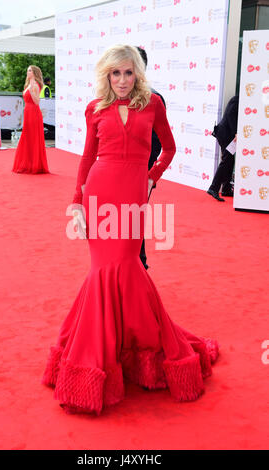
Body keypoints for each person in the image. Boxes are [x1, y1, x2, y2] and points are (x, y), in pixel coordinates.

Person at [42, 45, 219, 415]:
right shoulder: (95, 109)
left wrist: (151, 178)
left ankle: (137, 345)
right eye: (115, 73)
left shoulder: (152, 104)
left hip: (133, 193)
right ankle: (108, 353)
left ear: (137, 74)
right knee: (104, 271)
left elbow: (168, 148)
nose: (122, 80)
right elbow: (88, 158)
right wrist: (77, 201)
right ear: (106, 75)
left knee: (124, 265)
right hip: (100, 190)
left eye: (128, 73)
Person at [137, 46, 166, 270]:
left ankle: (140, 265)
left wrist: (149, 174)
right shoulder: (114, 97)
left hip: (141, 173)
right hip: (115, 173)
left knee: (134, 219)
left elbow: (160, 143)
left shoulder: (154, 98)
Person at [12, 65, 49, 174]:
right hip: (28, 113)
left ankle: (35, 165)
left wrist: (32, 91)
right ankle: (28, 164)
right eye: (27, 70)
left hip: (34, 113)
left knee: (32, 138)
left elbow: (37, 102)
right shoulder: (28, 85)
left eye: (29, 70)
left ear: (34, 73)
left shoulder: (35, 85)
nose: (27, 72)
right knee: (27, 138)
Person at [207, 95, 239, 201]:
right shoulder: (237, 99)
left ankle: (226, 188)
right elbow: (230, 115)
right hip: (225, 134)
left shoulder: (240, 100)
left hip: (227, 135)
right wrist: (236, 132)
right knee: (227, 160)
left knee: (229, 160)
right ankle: (213, 188)